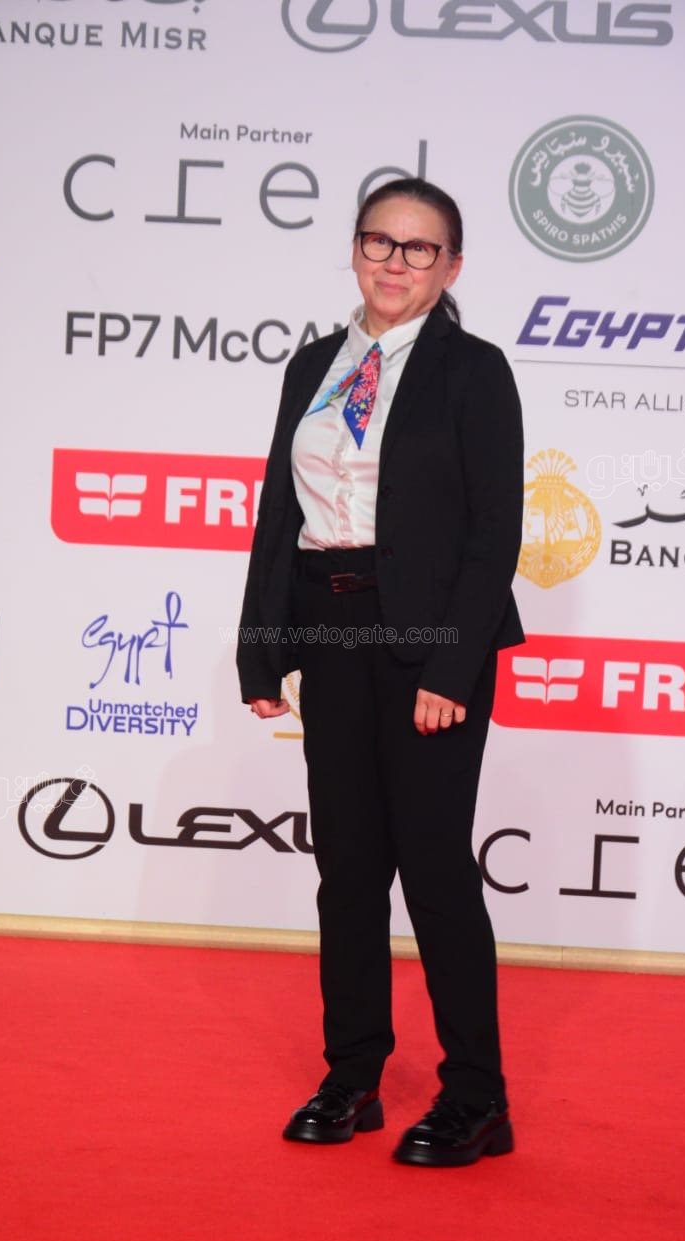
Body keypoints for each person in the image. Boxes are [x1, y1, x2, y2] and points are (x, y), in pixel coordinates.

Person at [237, 177, 524, 1168]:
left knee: (434, 870)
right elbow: (279, 513)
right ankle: (352, 1076)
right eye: (378, 241)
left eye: (418, 248)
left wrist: (452, 662)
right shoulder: (312, 364)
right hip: (329, 627)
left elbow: (493, 533)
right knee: (348, 869)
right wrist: (263, 646)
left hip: (429, 642)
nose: (394, 263)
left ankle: (477, 1097)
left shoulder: (472, 370)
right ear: (355, 248)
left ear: (450, 266)